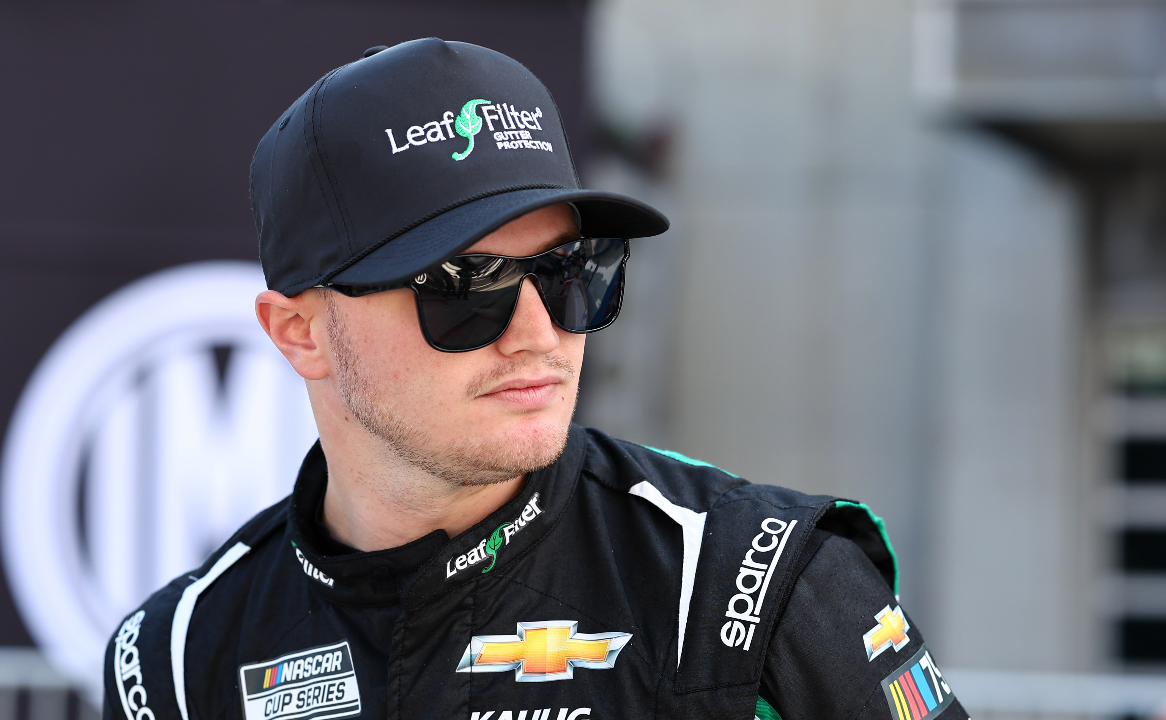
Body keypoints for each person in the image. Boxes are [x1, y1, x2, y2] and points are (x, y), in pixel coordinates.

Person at [103, 38, 968, 720]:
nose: (537, 333)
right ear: (300, 334)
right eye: (465, 287)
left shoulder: (754, 579)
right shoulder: (177, 657)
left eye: (570, 272)